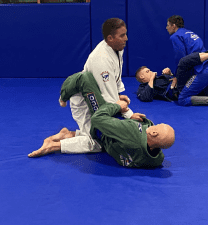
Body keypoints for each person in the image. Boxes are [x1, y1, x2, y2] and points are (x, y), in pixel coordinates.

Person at [28, 72, 175, 168]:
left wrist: (116, 106)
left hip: (100, 130)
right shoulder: (156, 159)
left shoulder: (131, 133)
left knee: (84, 79)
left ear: (154, 133)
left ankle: (63, 97)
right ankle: (68, 134)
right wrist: (132, 117)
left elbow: (98, 119)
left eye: (159, 125)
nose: (156, 123)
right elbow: (150, 140)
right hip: (111, 142)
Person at [60, 18, 145, 154]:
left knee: (107, 132)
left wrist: (118, 95)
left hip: (99, 95)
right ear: (110, 38)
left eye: (126, 34)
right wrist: (129, 115)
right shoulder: (102, 59)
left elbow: (115, 79)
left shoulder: (117, 48)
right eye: (122, 35)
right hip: (85, 101)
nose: (126, 39)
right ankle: (54, 145)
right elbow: (110, 100)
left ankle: (68, 134)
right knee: (100, 140)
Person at [136, 46, 208, 108]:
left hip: (183, 83)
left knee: (185, 64)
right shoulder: (142, 88)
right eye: (147, 71)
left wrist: (169, 74)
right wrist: (152, 78)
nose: (150, 72)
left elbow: (172, 79)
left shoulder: (157, 78)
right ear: (141, 76)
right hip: (178, 90)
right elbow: (146, 97)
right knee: (182, 64)